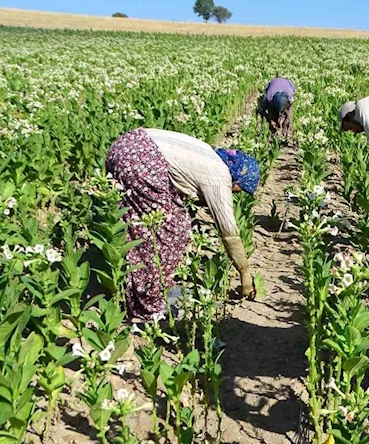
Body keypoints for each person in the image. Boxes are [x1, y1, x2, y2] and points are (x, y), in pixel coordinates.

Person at [105, 128, 260, 320]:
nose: (236, 193)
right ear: (238, 178)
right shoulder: (219, 176)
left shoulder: (211, 156)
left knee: (138, 225)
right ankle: (152, 302)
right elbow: (229, 233)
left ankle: (143, 288)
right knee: (169, 230)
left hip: (124, 147)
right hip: (141, 160)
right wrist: (245, 273)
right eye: (240, 189)